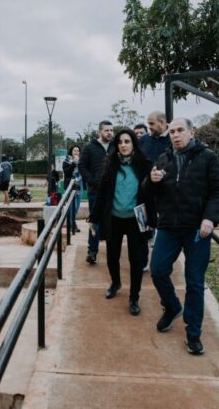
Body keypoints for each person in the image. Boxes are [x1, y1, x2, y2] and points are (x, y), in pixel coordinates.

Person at [146, 117, 219, 355]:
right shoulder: (164, 158)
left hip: (197, 230)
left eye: (180, 130)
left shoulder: (207, 157)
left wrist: (210, 218)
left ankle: (193, 333)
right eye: (172, 132)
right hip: (169, 227)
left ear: (192, 132)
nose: (176, 135)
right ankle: (171, 307)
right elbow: (147, 191)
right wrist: (151, 181)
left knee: (194, 282)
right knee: (158, 270)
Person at [89, 129, 155, 316]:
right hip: (114, 219)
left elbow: (151, 195)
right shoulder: (110, 165)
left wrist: (152, 220)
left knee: (136, 260)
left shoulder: (144, 164)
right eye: (120, 142)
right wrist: (93, 219)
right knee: (112, 256)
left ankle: (134, 297)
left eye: (127, 141)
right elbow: (101, 194)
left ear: (134, 143)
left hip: (136, 220)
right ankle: (115, 282)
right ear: (116, 145)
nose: (123, 145)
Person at [79, 120, 114, 265]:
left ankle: (113, 252)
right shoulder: (89, 147)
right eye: (106, 130)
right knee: (95, 222)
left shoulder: (116, 146)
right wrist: (92, 181)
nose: (110, 133)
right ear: (99, 131)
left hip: (114, 191)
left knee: (113, 222)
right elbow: (82, 166)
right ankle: (92, 251)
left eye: (111, 130)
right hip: (96, 191)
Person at [62, 145, 82, 232]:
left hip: (79, 185)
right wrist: (74, 163)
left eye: (78, 150)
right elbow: (67, 173)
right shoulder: (66, 161)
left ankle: (71, 223)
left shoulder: (82, 162)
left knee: (77, 207)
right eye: (75, 150)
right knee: (72, 206)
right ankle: (72, 225)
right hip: (70, 186)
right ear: (71, 152)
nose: (76, 152)